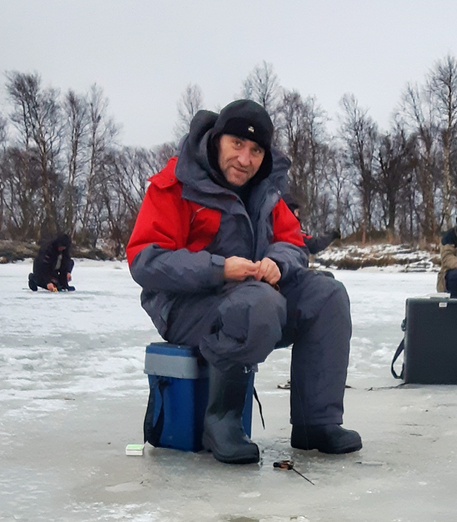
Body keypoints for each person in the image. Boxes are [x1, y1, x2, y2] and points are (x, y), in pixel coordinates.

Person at [127, 99, 361, 464]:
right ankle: (222, 420)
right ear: (217, 140)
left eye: (255, 150)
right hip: (184, 307)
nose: (245, 159)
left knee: (327, 295)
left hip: (253, 299)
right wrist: (218, 268)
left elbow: (293, 242)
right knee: (256, 303)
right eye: (237, 144)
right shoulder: (176, 184)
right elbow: (145, 260)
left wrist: (277, 264)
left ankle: (316, 423)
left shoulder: (265, 190)